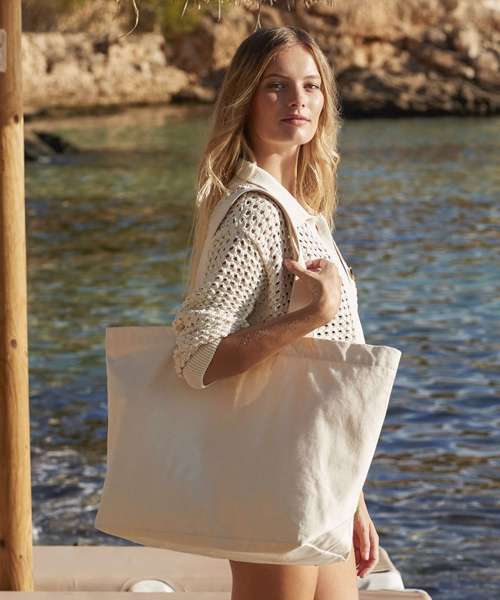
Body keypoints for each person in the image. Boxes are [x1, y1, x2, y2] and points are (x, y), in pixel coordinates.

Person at [172, 25, 379, 600]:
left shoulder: (303, 213)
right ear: (246, 99)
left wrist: (355, 496)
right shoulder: (256, 213)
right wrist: (312, 314)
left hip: (319, 472)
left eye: (311, 86)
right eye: (276, 86)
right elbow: (195, 356)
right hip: (273, 475)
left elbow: (323, 374)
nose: (298, 100)